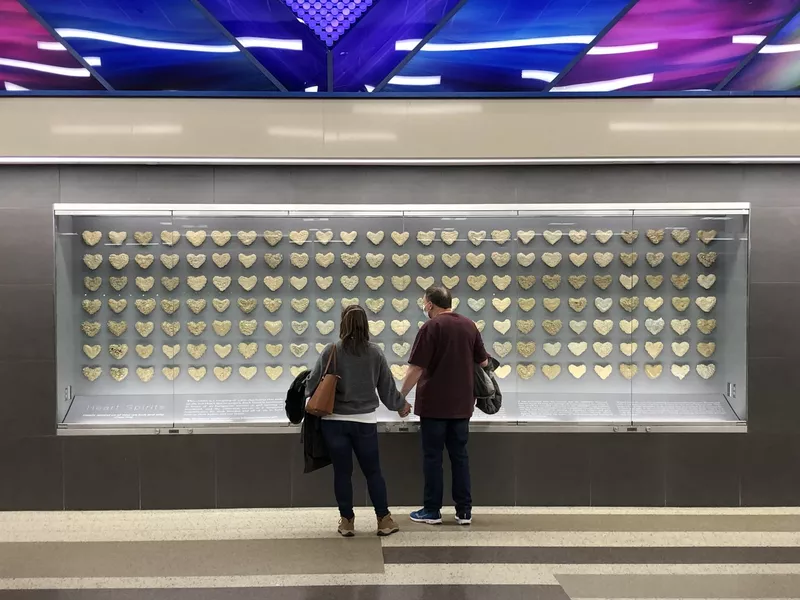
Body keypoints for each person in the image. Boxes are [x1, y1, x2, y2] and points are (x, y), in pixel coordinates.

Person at [306, 304, 412, 537]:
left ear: (343, 324)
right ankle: (383, 520)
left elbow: (311, 385)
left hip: (333, 422)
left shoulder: (331, 350)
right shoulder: (375, 353)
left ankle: (347, 521)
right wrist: (401, 406)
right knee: (373, 472)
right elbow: (387, 390)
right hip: (364, 422)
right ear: (366, 325)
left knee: (342, 473)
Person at [400, 285, 488, 526]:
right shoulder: (469, 325)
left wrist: (401, 396)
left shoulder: (431, 327)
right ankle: (464, 511)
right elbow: (483, 360)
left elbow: (417, 367)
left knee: (433, 458)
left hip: (434, 406)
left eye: (424, 303)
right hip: (462, 405)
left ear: (430, 304)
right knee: (460, 456)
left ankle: (432, 510)